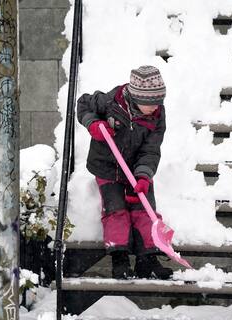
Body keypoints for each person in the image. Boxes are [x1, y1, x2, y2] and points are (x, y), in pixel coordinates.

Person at [76, 65, 173, 280]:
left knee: (145, 211)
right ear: (136, 97)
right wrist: (93, 124)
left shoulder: (157, 115)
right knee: (116, 210)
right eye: (150, 103)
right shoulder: (111, 101)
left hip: (136, 169)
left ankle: (147, 260)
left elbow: (151, 149)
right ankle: (119, 259)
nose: (155, 107)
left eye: (158, 102)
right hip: (107, 167)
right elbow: (83, 104)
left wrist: (143, 176)